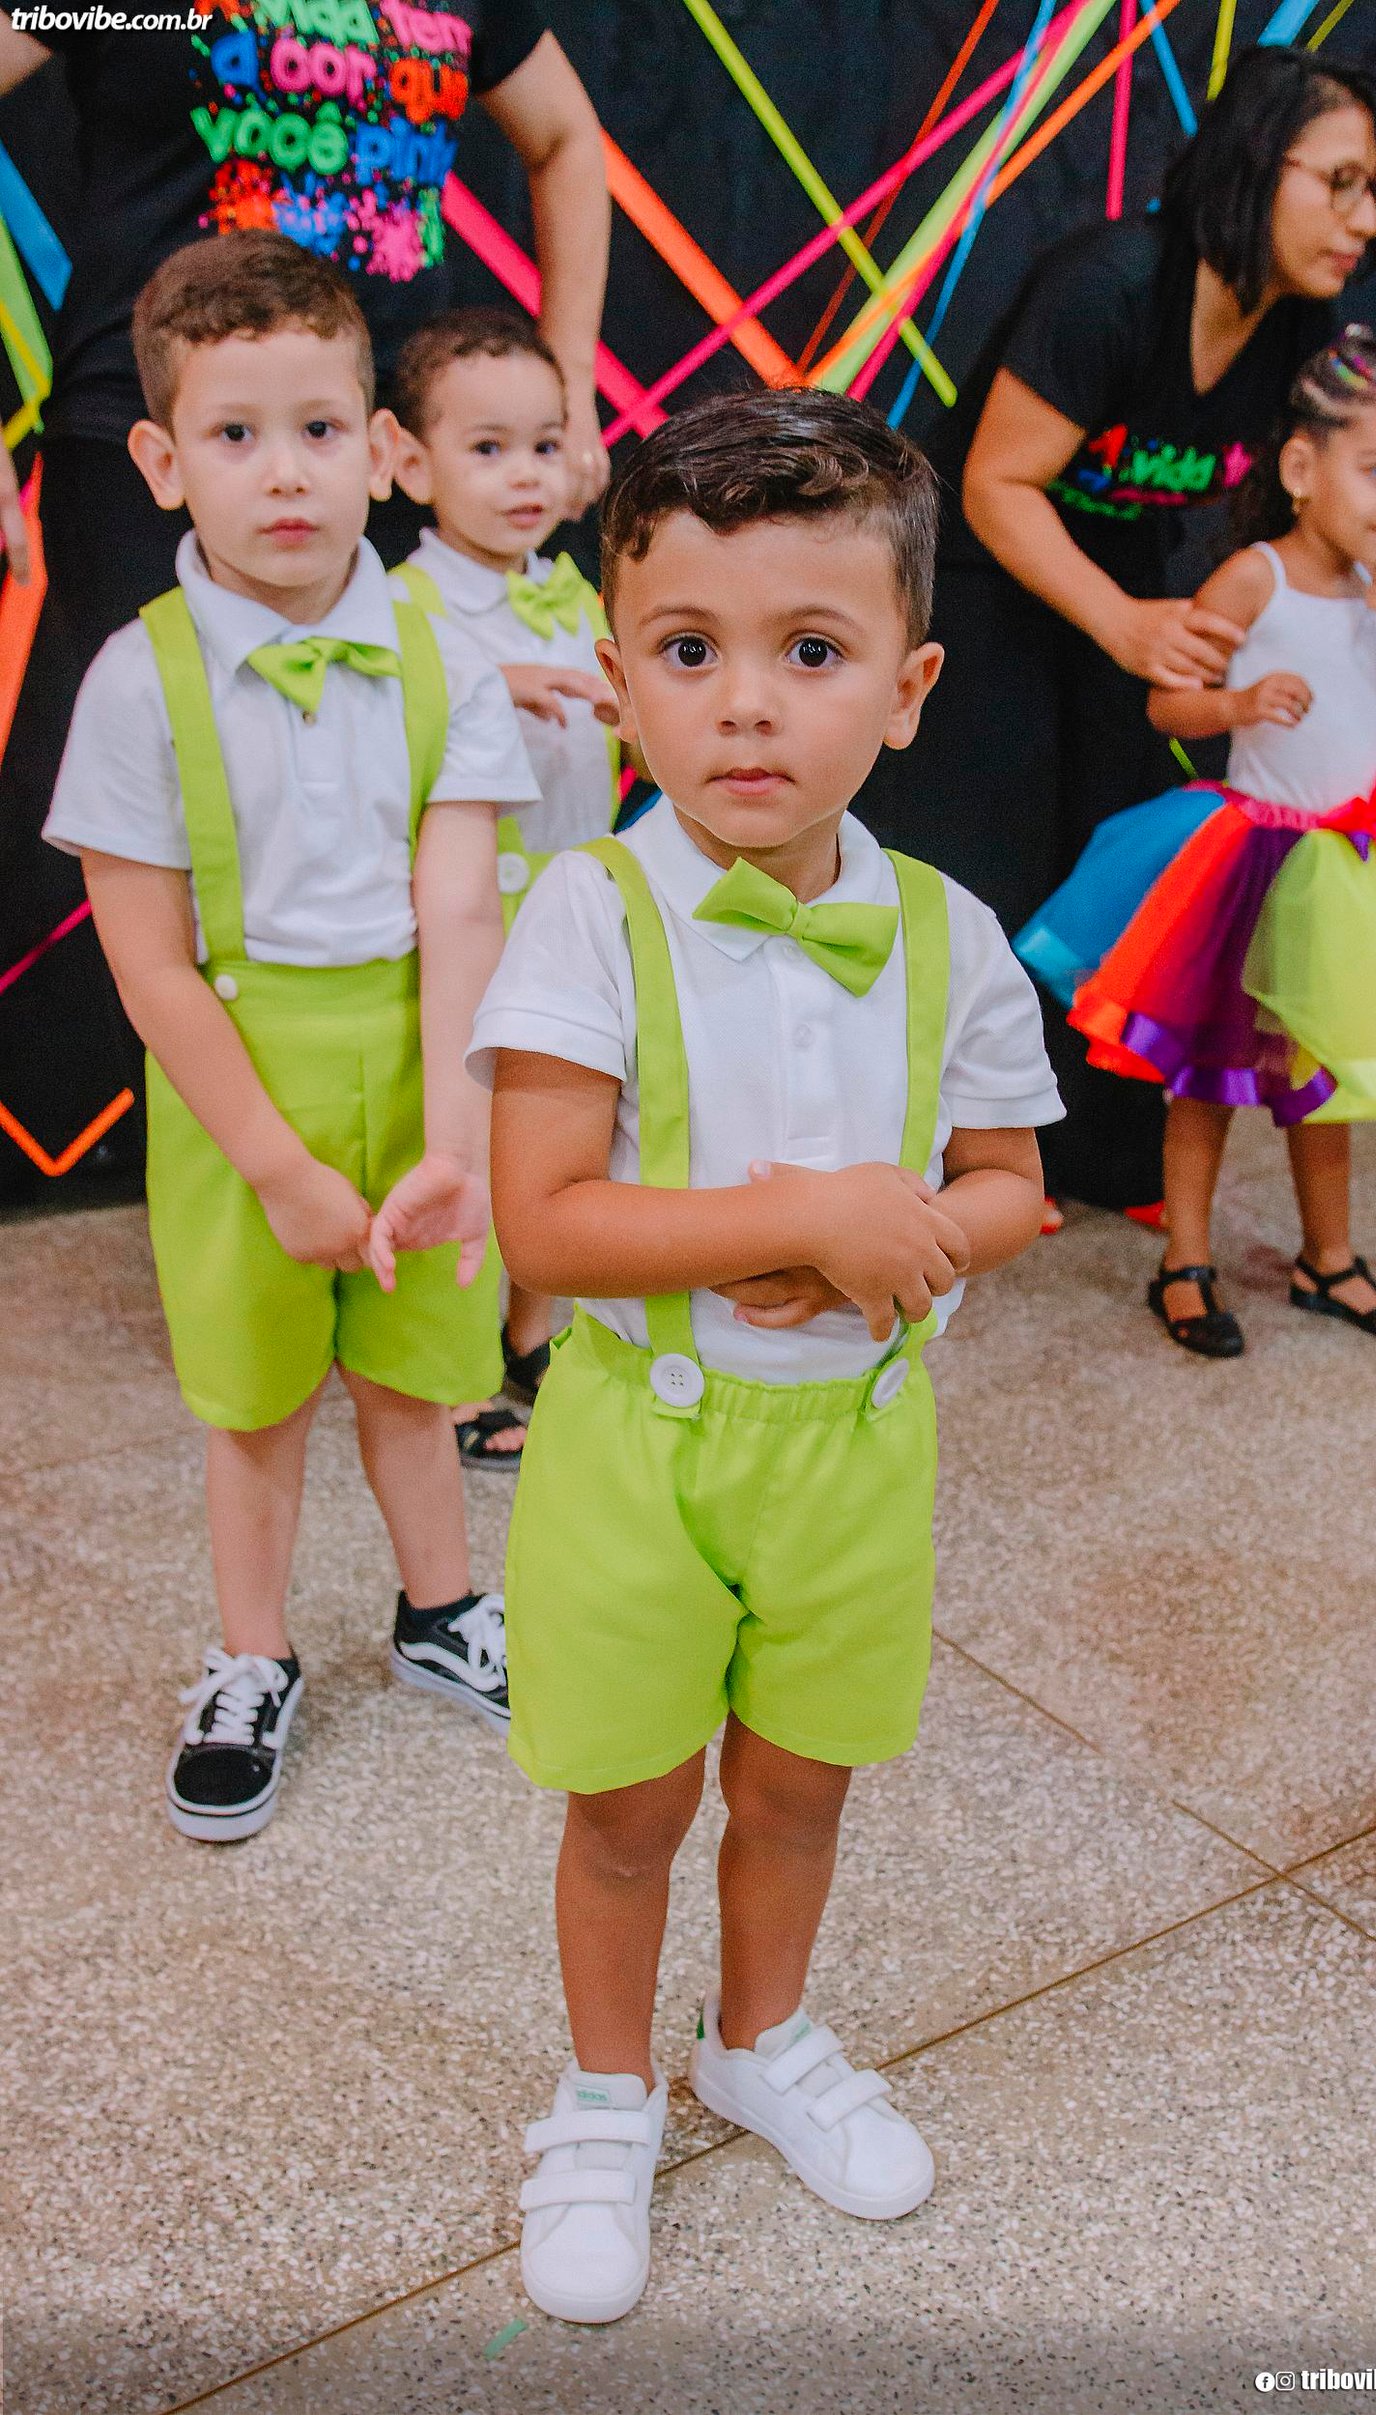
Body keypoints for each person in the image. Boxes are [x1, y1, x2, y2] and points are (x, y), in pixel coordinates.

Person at [468, 389, 1062, 2324]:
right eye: (688, 651)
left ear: (908, 688)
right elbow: (548, 1224)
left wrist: (918, 1239)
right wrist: (800, 1217)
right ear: (617, 678)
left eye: (811, 653)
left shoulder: (949, 933)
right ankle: (605, 2096)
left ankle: (763, 2038)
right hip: (640, 1453)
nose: (745, 707)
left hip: (857, 1453)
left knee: (801, 1786)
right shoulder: (590, 908)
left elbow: (1013, 1189)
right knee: (631, 1805)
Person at [42, 232, 538, 1839]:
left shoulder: (447, 659)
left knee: (418, 1375)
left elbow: (462, 911)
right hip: (237, 1080)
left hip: (419, 1053)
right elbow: (152, 968)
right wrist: (273, 1164)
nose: (283, 473)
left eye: (319, 429)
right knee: (254, 1401)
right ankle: (253, 1653)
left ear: (381, 450)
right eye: (235, 434)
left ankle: (442, 1607)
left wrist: (456, 1141)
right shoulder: (135, 682)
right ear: (161, 462)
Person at [0, 3, 609, 1190]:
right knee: (189, 833)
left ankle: (428, 1172)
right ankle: (245, 1189)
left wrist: (570, 379)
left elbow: (566, 138)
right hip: (165, 446)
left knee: (428, 822)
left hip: (371, 448)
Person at [857, 45, 1376, 1216]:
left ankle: (1103, 1159)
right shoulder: (1106, 286)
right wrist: (1122, 625)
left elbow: (1292, 492)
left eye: (1374, 192)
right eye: (1340, 183)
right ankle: (953, 1163)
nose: (1364, 220)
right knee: (982, 871)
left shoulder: (1298, 326)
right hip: (984, 577)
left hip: (1123, 588)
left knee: (1121, 874)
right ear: (1256, 162)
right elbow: (997, 485)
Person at [1016, 331, 1376, 1357]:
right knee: (1206, 1079)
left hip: (1346, 870)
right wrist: (1238, 702)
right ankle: (1185, 1259)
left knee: (1322, 1074)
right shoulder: (1253, 580)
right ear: (1301, 468)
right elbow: (1168, 704)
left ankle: (1326, 1258)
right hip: (1247, 865)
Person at [388, 303, 622, 1467]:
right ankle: (456, 1370)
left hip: (578, 912)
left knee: (562, 1130)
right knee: (471, 1137)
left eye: (544, 443)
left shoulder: (575, 594)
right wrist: (487, 684)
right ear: (410, 463)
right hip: (474, 928)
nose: (525, 475)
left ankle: (534, 1334)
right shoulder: (400, 610)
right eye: (487, 449)